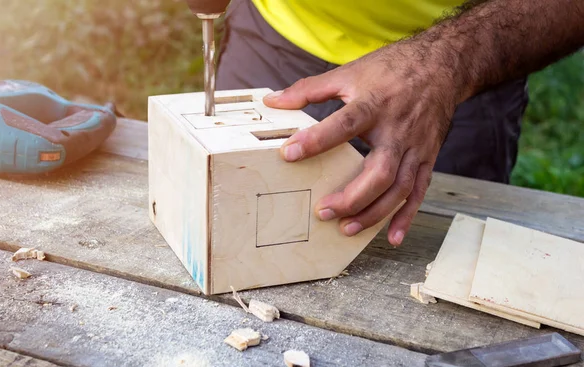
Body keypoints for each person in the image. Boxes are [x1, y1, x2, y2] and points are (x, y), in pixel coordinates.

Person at [216, 0, 584, 246]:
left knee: (437, 264)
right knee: (233, 225)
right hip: (276, 34)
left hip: (465, 64)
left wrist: (447, 64)